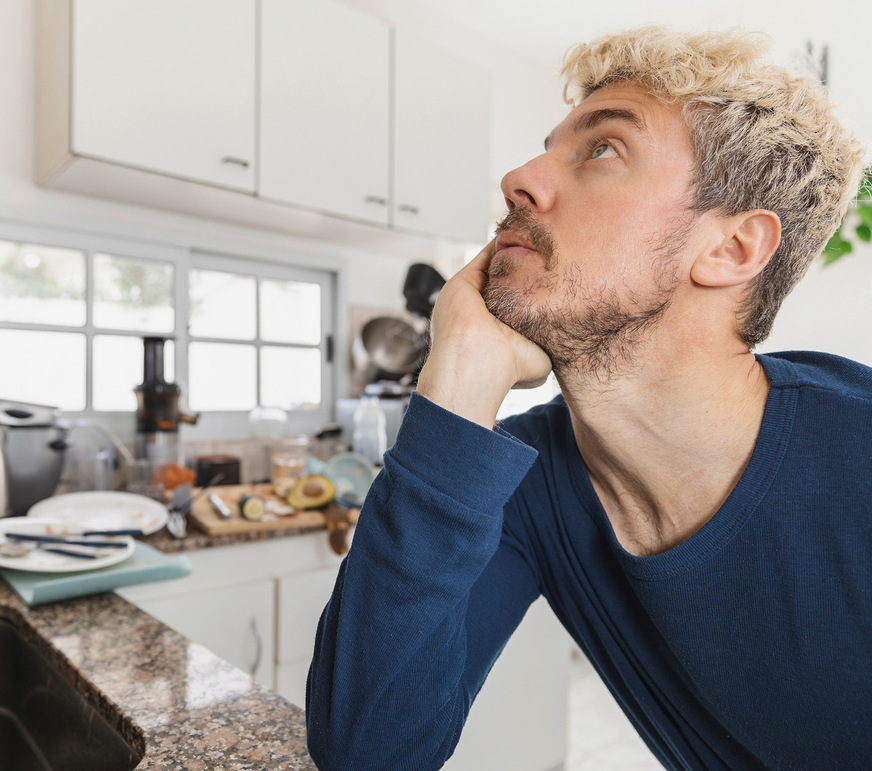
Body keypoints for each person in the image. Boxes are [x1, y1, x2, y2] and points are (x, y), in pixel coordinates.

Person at [306, 26, 872, 770]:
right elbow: (366, 747)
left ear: (731, 250)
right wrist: (456, 377)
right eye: (548, 147)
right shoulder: (532, 487)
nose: (518, 178)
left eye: (603, 149)